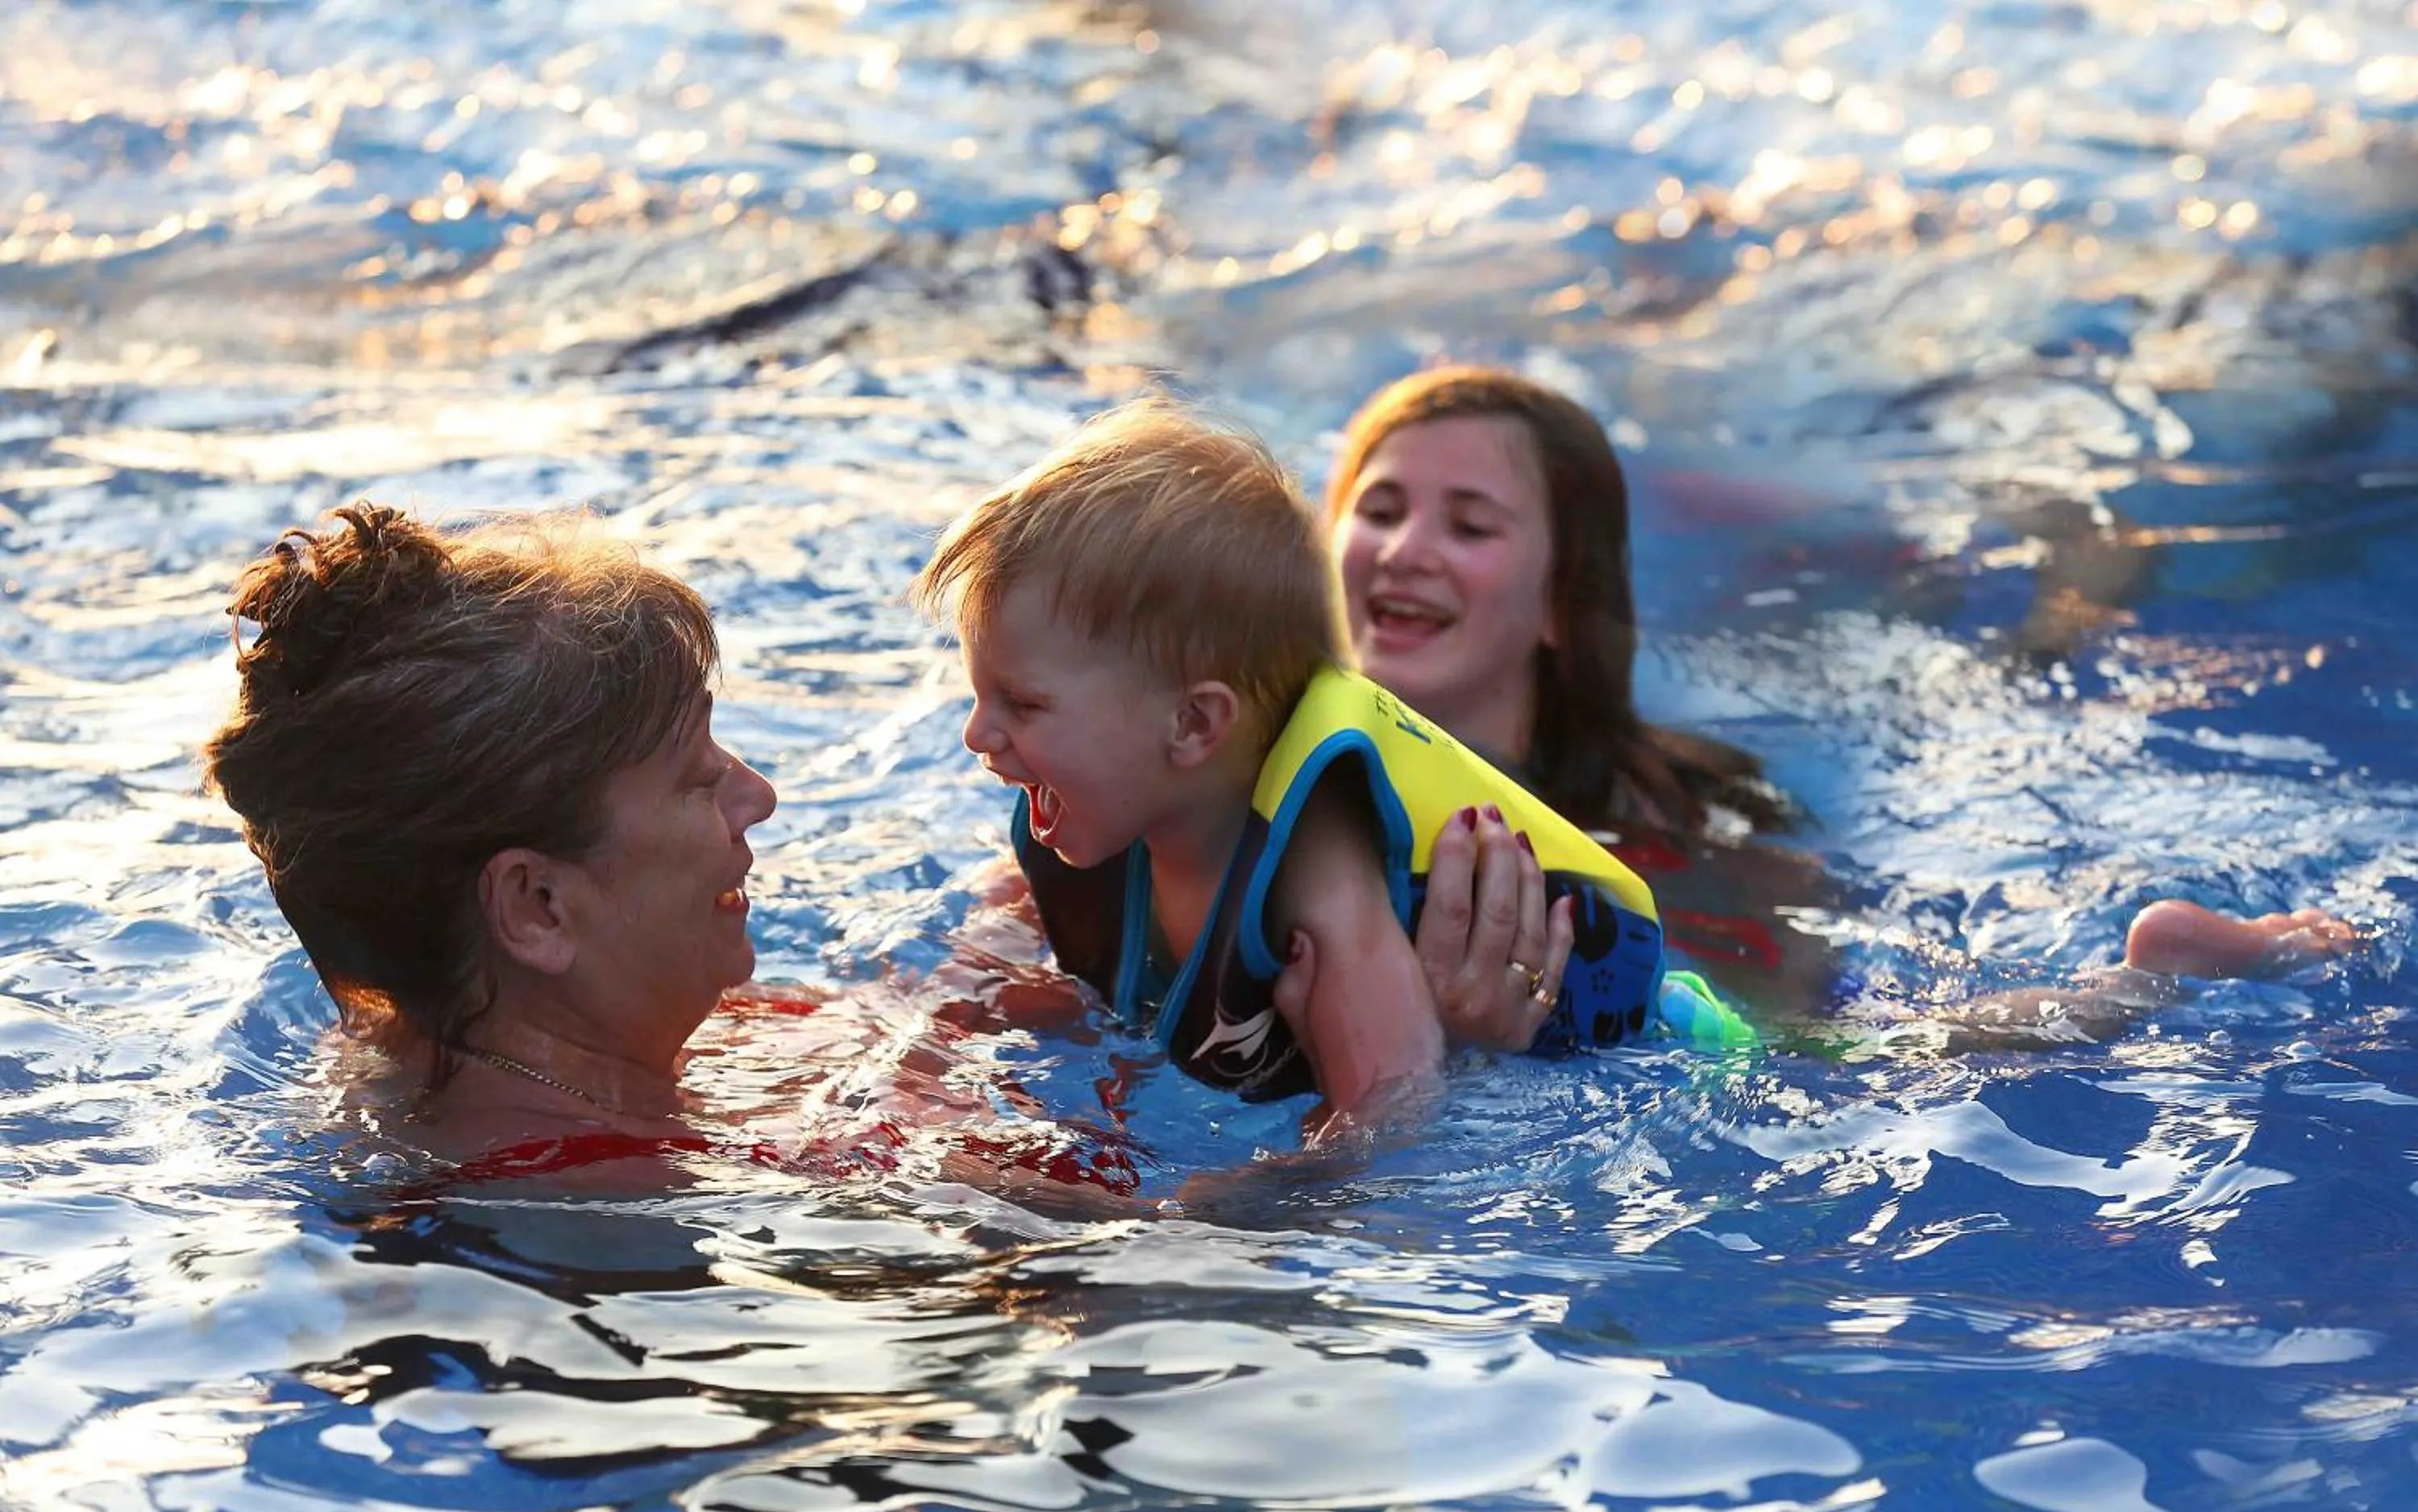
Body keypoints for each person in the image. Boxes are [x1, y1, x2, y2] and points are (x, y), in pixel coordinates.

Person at [1315, 363, 2359, 1035]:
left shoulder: (1658, 822)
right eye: (1381, 509)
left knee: (1856, 1050)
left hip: (1706, 963)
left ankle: (2139, 982)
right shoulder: (1281, 776)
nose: (1406, 551)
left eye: (1470, 525)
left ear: (1560, 600)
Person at [202, 502, 1140, 1198]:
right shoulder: (614, 1203)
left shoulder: (453, 1041)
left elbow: (896, 1028)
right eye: (697, 779)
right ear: (537, 906)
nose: (757, 797)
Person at [911, 401, 1746, 1136]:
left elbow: (1391, 1134)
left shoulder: (1318, 871)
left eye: (1471, 526)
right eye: (1379, 510)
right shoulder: (1109, 803)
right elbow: (975, 989)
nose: (977, 735)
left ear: (1194, 723)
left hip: (1667, 1075)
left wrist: (1187, 1223)